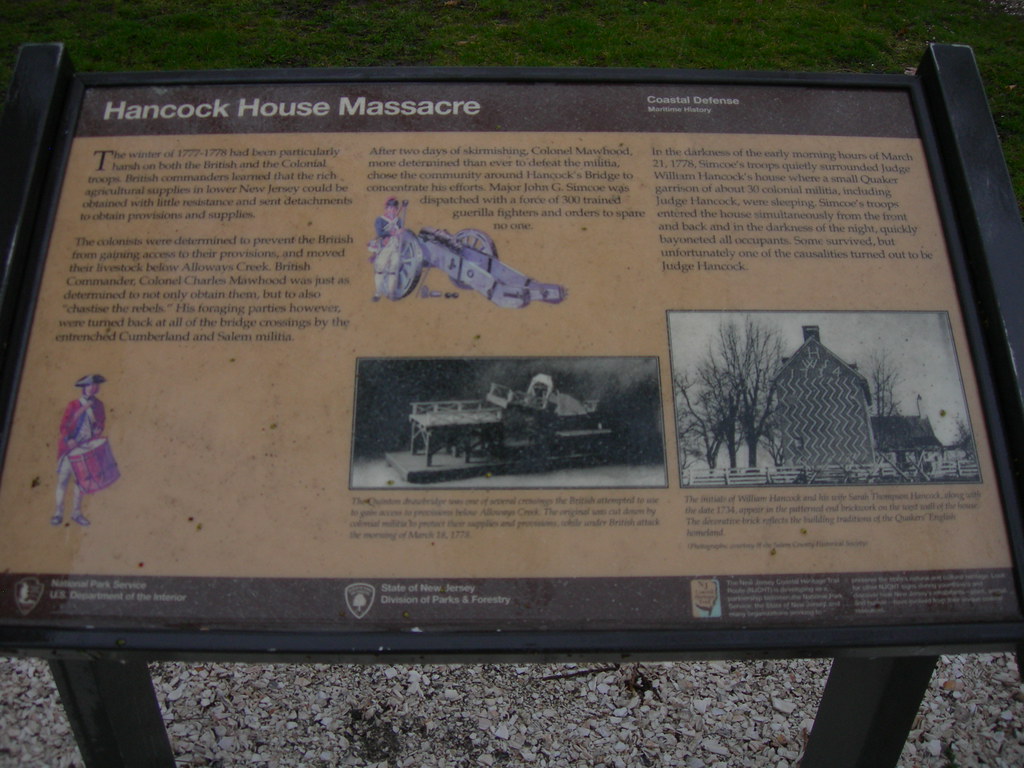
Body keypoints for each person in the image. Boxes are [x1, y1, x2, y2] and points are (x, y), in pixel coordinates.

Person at [53, 374, 108, 526]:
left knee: (81, 483)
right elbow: (64, 426)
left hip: (86, 449)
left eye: (95, 385)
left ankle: (76, 513)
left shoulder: (99, 405)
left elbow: (101, 422)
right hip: (70, 448)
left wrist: (98, 430)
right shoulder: (73, 405)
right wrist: (69, 439)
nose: (93, 388)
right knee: (63, 480)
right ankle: (58, 512)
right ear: (84, 387)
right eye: (90, 385)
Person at [369, 197, 405, 301]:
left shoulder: (399, 220)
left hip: (396, 247)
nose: (392, 211)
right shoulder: (380, 220)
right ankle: (378, 293)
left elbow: (401, 233)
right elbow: (380, 233)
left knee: (393, 270)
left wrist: (401, 232)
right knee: (380, 269)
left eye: (394, 209)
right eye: (390, 208)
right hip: (385, 247)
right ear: (386, 209)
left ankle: (391, 292)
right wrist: (393, 232)